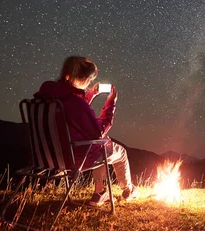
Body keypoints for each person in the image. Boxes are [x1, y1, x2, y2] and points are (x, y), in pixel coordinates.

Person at [33, 56, 138, 206]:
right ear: (82, 79)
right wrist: (111, 103)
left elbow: (74, 112)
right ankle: (128, 190)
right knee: (116, 150)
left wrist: (89, 95)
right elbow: (99, 130)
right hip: (73, 157)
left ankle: (100, 193)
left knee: (102, 144)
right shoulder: (73, 102)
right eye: (88, 80)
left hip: (47, 156)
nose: (89, 83)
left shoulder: (51, 96)